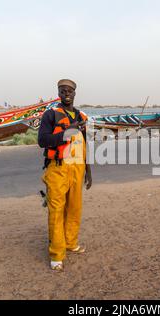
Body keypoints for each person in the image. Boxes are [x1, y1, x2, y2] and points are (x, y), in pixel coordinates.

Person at [38, 79, 93, 272]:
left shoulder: (82, 116)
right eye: (63, 90)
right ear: (58, 93)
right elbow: (42, 140)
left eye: (70, 90)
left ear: (75, 93)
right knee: (56, 211)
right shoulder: (50, 115)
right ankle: (56, 254)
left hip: (77, 169)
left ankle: (71, 242)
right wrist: (68, 131)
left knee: (74, 208)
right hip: (58, 169)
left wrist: (89, 172)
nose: (66, 93)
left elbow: (86, 145)